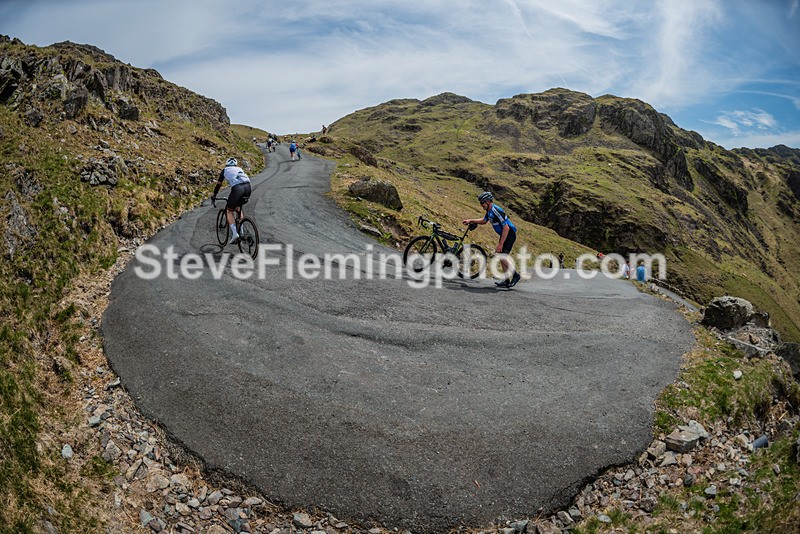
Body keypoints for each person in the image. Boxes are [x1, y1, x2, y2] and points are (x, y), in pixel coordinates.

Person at [463, 191, 520, 288]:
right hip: (504, 234)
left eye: (482, 203)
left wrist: (501, 244)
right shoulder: (489, 211)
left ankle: (515, 275)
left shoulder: (496, 210)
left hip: (509, 234)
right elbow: (484, 221)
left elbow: (506, 227)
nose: (481, 205)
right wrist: (471, 220)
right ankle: (506, 280)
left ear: (488, 202)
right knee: (501, 256)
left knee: (502, 256)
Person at [212, 157, 251, 244]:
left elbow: (218, 185)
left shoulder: (225, 170)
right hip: (248, 187)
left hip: (238, 189)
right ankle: (241, 232)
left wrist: (214, 195)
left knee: (229, 211)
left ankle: (235, 234)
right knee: (238, 208)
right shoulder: (239, 168)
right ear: (235, 165)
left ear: (227, 164)